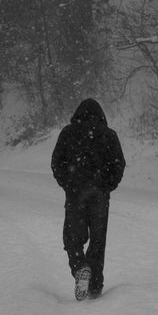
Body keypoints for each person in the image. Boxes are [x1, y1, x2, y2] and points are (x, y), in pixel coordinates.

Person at [51, 98, 125, 301]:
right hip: (100, 194)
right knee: (98, 241)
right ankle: (94, 285)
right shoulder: (109, 135)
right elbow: (119, 164)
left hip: (76, 193)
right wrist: (107, 186)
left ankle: (80, 267)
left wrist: (68, 183)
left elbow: (57, 162)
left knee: (72, 238)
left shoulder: (68, 133)